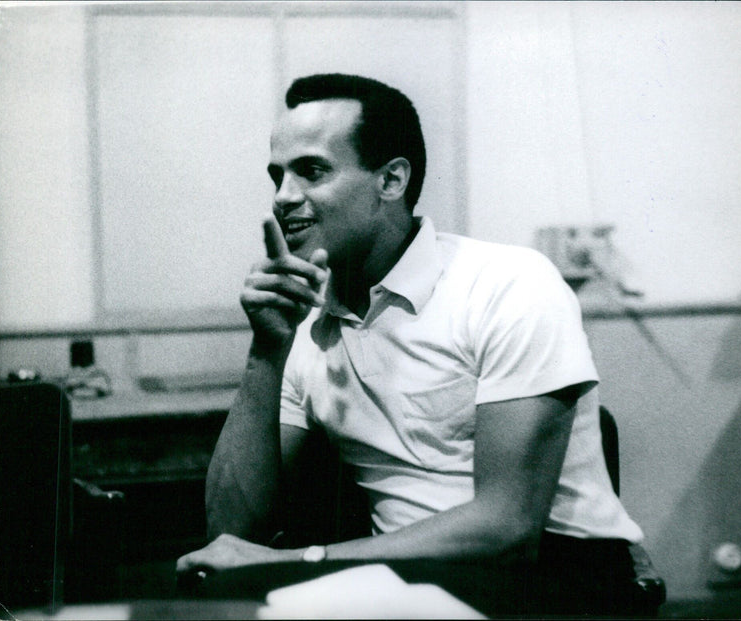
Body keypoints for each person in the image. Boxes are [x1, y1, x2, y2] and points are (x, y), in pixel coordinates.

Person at [177, 73, 645, 613]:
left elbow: (508, 530)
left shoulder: (508, 284)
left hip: (553, 583)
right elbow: (230, 532)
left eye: (311, 171)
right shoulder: (308, 326)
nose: (283, 198)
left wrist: (301, 561)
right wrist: (266, 349)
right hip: (400, 585)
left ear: (392, 180)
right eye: (276, 175)